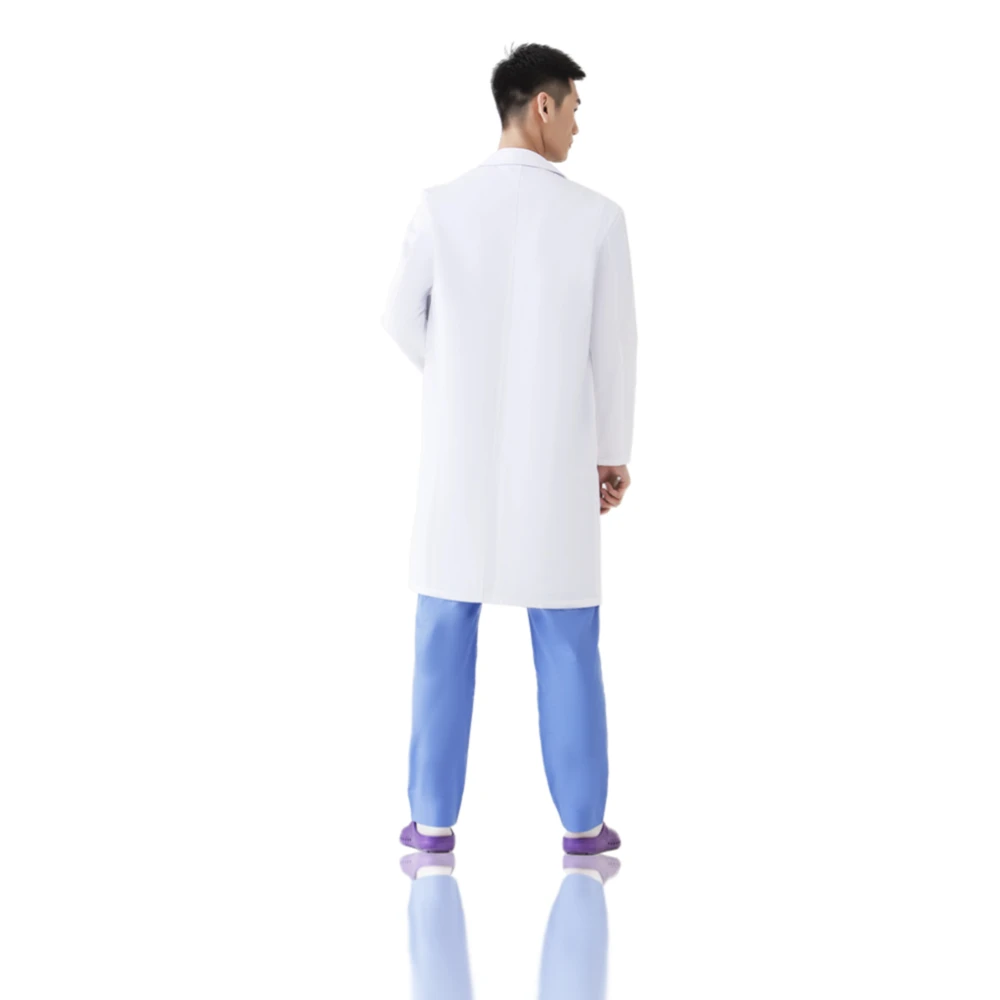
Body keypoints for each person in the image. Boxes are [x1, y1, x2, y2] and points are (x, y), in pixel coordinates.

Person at [381, 42, 638, 856]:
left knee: (442, 632)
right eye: (575, 110)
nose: (578, 129)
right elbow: (614, 350)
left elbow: (398, 316)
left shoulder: (441, 206)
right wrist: (610, 453)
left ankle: (432, 823)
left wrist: (455, 374)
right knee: (567, 637)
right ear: (542, 105)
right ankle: (583, 826)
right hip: (555, 462)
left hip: (459, 461)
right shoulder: (597, 219)